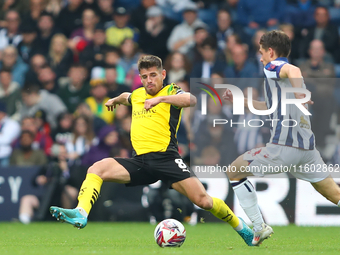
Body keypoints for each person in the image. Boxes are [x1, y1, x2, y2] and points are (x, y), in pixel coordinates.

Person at [49, 55, 254, 246]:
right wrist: (114, 100)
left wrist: (160, 99)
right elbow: (127, 96)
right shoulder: (138, 95)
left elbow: (191, 100)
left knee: (204, 201)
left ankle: (242, 228)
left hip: (167, 159)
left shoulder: (171, 91)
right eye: (145, 77)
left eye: (153, 75)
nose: (149, 80)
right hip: (140, 162)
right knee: (97, 168)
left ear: (163, 74)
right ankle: (81, 212)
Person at [223, 30, 340, 246]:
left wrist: (300, 94)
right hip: (307, 151)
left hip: (283, 148)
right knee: (335, 195)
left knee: (233, 171)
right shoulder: (280, 81)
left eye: (261, 52)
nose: (260, 58)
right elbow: (268, 107)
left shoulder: (273, 67)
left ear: (271, 51)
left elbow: (293, 69)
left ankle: (259, 227)